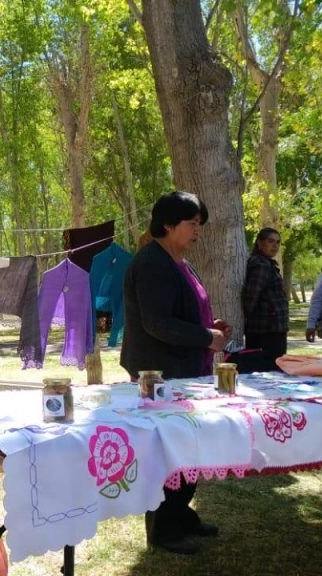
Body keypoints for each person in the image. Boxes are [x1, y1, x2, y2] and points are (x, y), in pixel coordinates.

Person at [121, 191, 231, 555]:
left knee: (189, 447)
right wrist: (206, 337)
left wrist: (209, 327)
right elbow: (156, 323)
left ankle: (181, 515)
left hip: (184, 369)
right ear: (168, 225)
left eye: (200, 224)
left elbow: (181, 313)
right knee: (169, 452)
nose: (198, 230)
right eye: (192, 223)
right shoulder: (151, 263)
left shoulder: (179, 261)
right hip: (159, 374)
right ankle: (164, 529)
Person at [241, 227, 289, 361]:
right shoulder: (261, 265)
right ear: (259, 243)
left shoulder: (267, 263)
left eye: (278, 242)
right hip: (266, 330)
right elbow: (251, 296)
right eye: (270, 241)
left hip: (273, 328)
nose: (275, 246)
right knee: (269, 366)